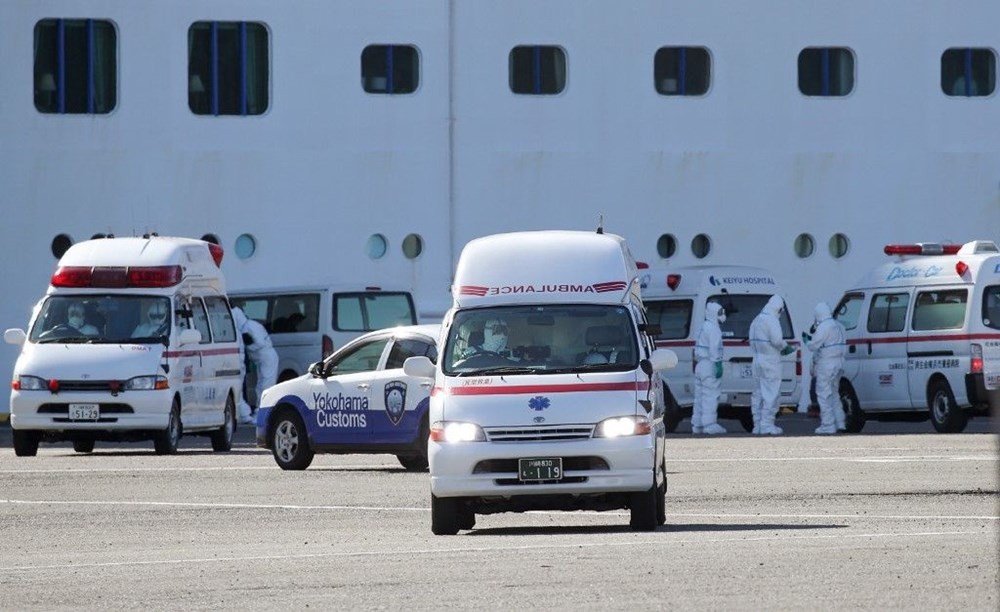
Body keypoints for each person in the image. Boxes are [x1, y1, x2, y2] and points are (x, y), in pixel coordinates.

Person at [749, 295, 795, 435]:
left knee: (758, 394)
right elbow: (777, 340)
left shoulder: (756, 320)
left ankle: (757, 425)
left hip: (757, 361)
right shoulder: (771, 320)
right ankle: (767, 424)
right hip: (770, 361)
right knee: (771, 393)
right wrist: (786, 347)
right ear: (779, 309)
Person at [803, 302, 847, 434]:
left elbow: (814, 346)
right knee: (834, 394)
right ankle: (840, 423)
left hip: (827, 364)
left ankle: (828, 425)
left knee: (823, 394)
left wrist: (807, 341)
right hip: (839, 363)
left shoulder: (823, 327)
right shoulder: (839, 326)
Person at [232, 307, 279, 425]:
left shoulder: (248, 327)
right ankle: (260, 412)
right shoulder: (249, 326)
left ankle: (264, 413)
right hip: (262, 359)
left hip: (266, 357)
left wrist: (248, 343)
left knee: (266, 385)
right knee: (260, 385)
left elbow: (260, 344)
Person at [692, 302, 727, 435]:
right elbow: (713, 349)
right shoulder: (713, 329)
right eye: (720, 313)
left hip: (700, 365)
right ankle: (710, 424)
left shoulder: (704, 326)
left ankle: (698, 425)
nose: (722, 316)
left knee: (699, 396)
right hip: (710, 364)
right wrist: (718, 363)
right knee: (711, 395)